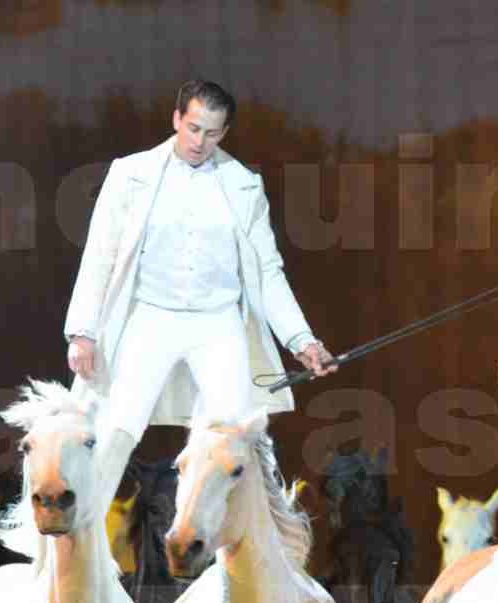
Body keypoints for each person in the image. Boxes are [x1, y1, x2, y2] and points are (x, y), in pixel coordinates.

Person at [63, 78, 338, 499]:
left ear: (224, 133)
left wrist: (301, 339)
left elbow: (266, 271)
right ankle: (81, 536)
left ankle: (239, 551)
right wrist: (83, 331)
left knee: (234, 437)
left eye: (211, 133)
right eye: (193, 128)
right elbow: (100, 255)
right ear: (177, 119)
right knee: (117, 427)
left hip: (218, 323)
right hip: (151, 316)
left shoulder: (244, 185)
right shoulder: (131, 173)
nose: (199, 141)